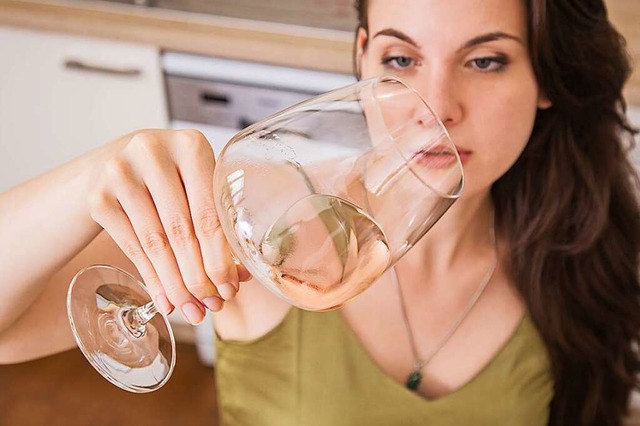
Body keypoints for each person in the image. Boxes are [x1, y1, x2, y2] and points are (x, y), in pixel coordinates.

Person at [0, 0, 638, 424]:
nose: (436, 105)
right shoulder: (266, 221)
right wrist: (91, 179)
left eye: (484, 60)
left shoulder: (582, 250)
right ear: (363, 58)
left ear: (547, 77)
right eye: (401, 59)